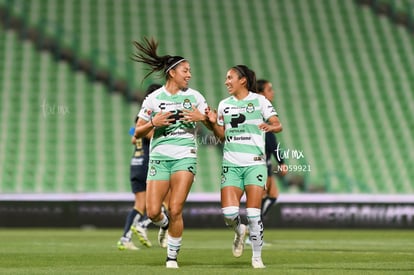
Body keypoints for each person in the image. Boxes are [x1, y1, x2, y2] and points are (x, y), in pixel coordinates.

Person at [132, 37, 212, 268]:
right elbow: (137, 131)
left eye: (189, 71)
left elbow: (214, 124)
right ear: (172, 73)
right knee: (153, 211)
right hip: (159, 158)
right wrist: (154, 122)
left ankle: (172, 258)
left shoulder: (195, 97)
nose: (189, 74)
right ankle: (164, 225)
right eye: (185, 70)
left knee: (176, 208)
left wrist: (204, 118)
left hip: (184, 156)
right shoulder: (153, 99)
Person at [207, 65, 282, 269]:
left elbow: (278, 124)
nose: (226, 82)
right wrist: (214, 123)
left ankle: (257, 257)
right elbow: (221, 136)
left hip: (255, 165)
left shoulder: (260, 101)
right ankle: (239, 230)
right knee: (229, 213)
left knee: (253, 214)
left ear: (242, 80)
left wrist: (270, 126)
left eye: (230, 77)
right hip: (231, 164)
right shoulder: (224, 105)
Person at [117, 83, 170, 250]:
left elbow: (133, 137)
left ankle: (125, 238)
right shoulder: (153, 117)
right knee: (166, 199)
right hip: (148, 162)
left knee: (139, 205)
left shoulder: (140, 116)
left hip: (136, 162)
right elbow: (150, 134)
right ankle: (143, 224)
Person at [255, 79, 288, 218]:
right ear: (260, 94)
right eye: (269, 90)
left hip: (263, 162)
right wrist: (281, 162)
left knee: (271, 195)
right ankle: (253, 231)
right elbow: (271, 142)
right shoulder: (261, 113)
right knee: (264, 197)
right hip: (261, 163)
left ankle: (254, 231)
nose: (272, 93)